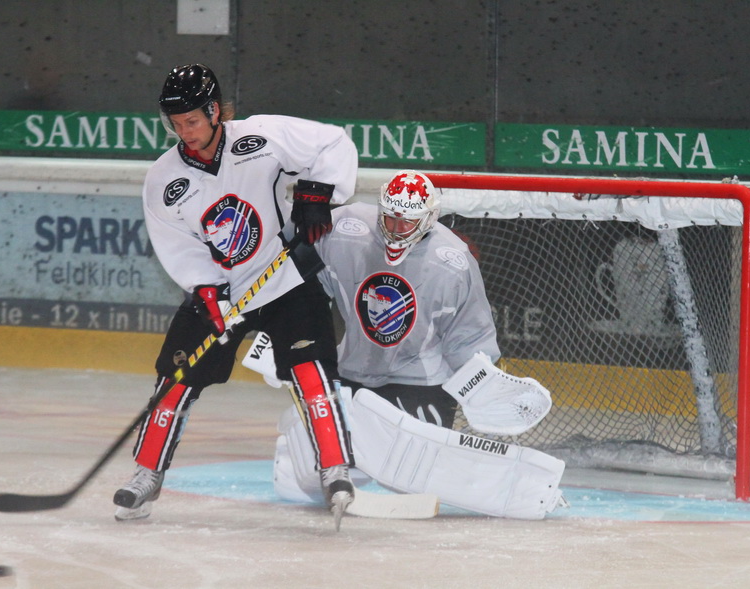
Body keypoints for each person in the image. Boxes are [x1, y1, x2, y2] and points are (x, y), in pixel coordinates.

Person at [113, 63, 358, 526]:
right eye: (176, 124)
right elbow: (177, 244)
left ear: (214, 111)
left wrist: (316, 193)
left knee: (311, 370)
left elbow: (332, 143)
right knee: (176, 377)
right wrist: (208, 291)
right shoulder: (163, 178)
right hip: (222, 293)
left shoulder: (261, 137)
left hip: (282, 277)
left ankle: (335, 469)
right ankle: (146, 474)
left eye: (192, 121)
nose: (185, 132)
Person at [252, 170, 564, 519]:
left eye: (408, 222)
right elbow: (289, 272)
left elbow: (468, 335)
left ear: (429, 218)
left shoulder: (453, 261)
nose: (397, 229)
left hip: (420, 379)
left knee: (414, 480)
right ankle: (292, 457)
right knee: (322, 475)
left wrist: (481, 383)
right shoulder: (345, 229)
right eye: (390, 218)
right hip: (354, 370)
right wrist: (278, 336)